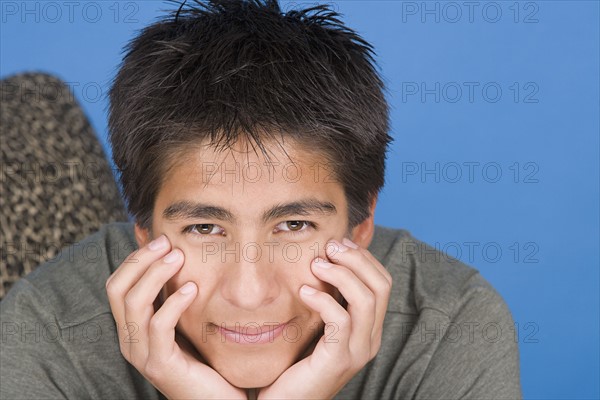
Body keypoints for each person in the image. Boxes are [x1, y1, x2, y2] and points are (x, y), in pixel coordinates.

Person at [0, 0, 522, 398]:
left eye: (294, 225)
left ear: (360, 226)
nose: (250, 293)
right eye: (204, 228)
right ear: (144, 230)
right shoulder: (45, 332)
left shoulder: (451, 324)